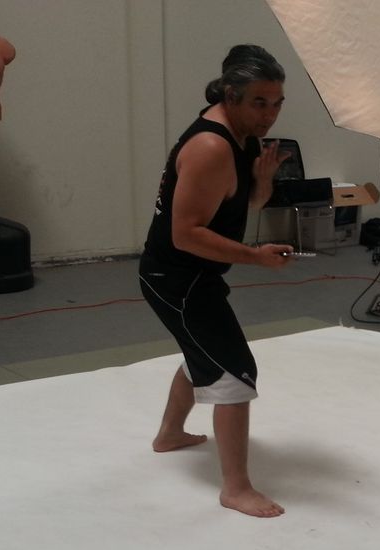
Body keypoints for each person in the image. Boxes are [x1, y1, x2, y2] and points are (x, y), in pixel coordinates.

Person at [138, 45, 297, 517]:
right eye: (259, 103)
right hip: (176, 278)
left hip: (193, 275)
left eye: (277, 103)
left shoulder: (243, 138)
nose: (269, 115)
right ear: (230, 95)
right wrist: (255, 258)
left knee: (201, 354)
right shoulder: (210, 146)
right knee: (234, 371)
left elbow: (237, 207)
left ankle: (170, 435)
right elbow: (185, 234)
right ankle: (236, 488)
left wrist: (262, 182)